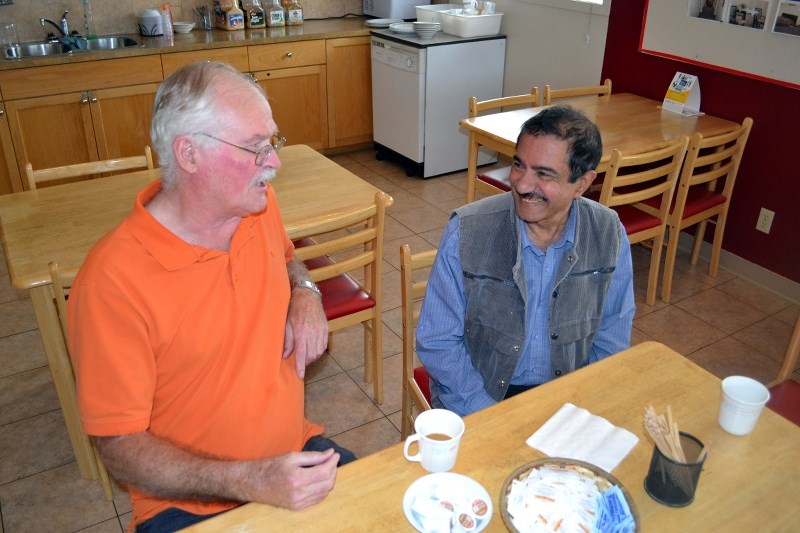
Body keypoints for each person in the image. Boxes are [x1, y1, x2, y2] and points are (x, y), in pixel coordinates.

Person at [67, 61, 355, 532]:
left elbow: (286, 258)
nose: (274, 163)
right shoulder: (111, 284)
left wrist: (305, 293)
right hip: (186, 504)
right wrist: (251, 480)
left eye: (272, 143)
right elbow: (119, 449)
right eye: (255, 148)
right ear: (189, 154)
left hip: (293, 454)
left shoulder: (256, 204)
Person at [416, 105, 635, 416]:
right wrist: (490, 414)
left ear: (583, 183)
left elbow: (612, 335)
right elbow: (438, 341)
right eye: (518, 165)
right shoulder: (467, 230)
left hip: (568, 400)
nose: (520, 184)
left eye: (543, 174)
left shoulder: (608, 232)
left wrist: (582, 405)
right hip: (478, 396)